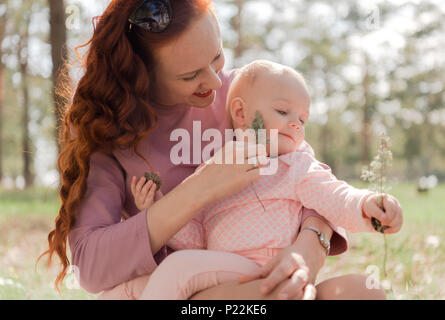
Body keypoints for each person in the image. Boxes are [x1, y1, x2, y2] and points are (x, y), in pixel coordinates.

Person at [39, 0, 390, 300]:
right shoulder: (110, 131)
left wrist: (308, 249)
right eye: (190, 75)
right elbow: (89, 264)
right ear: (140, 77)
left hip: (263, 273)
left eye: (217, 56)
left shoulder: (242, 96)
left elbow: (307, 174)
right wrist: (198, 189)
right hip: (178, 289)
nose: (214, 81)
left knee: (365, 291)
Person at [121, 60, 402, 299]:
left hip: (267, 266)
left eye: (302, 120)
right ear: (241, 113)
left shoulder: (296, 165)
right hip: (225, 276)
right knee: (149, 278)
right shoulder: (216, 167)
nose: (295, 123)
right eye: (283, 111)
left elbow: (334, 196)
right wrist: (155, 208)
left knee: (177, 269)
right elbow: (196, 237)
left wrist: (366, 203)